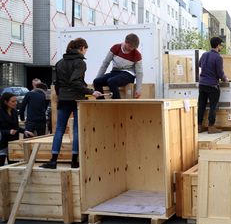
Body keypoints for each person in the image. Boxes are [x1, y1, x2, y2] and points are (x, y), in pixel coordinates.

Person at [41, 38, 102, 169]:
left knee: (59, 130)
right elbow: (75, 82)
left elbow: (57, 84)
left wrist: (60, 95)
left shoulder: (60, 63)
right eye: (85, 49)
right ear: (81, 48)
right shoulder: (80, 63)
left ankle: (53, 160)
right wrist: (91, 92)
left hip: (63, 99)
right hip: (76, 99)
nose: (85, 52)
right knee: (76, 129)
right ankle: (74, 161)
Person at [94, 33, 143, 99]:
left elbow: (139, 73)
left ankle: (117, 105)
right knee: (97, 81)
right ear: (126, 42)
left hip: (128, 74)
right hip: (115, 72)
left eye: (134, 47)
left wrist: (138, 89)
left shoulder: (137, 54)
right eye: (130, 46)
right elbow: (105, 64)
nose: (132, 49)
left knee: (111, 81)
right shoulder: (115, 48)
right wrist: (98, 77)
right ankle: (102, 105)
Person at [197, 37, 228, 134]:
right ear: (218, 45)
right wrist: (225, 78)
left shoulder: (204, 54)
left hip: (202, 84)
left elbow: (199, 64)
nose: (221, 47)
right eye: (221, 45)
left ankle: (199, 126)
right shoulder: (218, 57)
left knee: (201, 105)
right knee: (213, 106)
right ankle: (211, 127)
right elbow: (219, 73)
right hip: (212, 85)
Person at [0, 92, 29, 166]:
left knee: (13, 165)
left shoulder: (15, 112)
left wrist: (24, 131)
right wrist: (8, 131)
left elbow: (16, 127)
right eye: (13, 101)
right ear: (5, 102)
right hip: (2, 144)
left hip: (13, 143)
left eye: (16, 101)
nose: (15, 103)